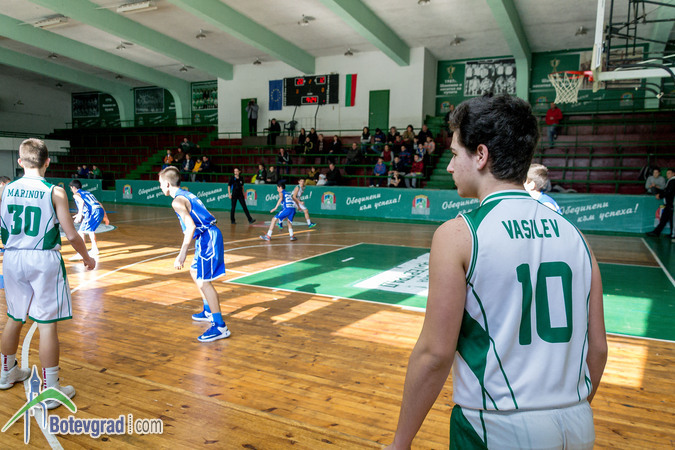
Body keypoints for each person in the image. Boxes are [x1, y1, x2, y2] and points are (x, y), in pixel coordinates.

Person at [386, 95, 607, 450]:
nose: (449, 166)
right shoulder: (577, 237)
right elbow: (597, 349)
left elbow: (435, 354)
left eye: (455, 154)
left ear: (481, 155)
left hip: (495, 426)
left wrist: (401, 443)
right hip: (577, 423)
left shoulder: (458, 235)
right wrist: (567, 411)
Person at [1, 138, 95, 409]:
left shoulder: (6, 189)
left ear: (20, 162)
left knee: (14, 317)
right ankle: (50, 388)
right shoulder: (55, 191)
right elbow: (72, 234)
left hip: (12, 257)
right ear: (47, 162)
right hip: (42, 258)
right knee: (47, 324)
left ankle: (6, 373)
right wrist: (87, 257)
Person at [158, 166, 231, 342]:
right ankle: (208, 310)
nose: (160, 187)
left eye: (160, 184)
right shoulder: (187, 194)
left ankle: (220, 326)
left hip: (208, 238)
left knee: (205, 282)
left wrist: (182, 254)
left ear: (167, 184)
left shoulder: (177, 202)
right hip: (206, 236)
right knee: (194, 270)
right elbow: (207, 215)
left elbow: (190, 227)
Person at [69, 179, 110, 258]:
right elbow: (99, 203)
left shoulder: (76, 194)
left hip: (93, 212)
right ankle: (95, 249)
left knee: (81, 232)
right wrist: (105, 217)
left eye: (71, 188)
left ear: (73, 187)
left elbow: (81, 202)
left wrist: (79, 214)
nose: (71, 190)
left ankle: (82, 253)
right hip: (99, 210)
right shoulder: (88, 193)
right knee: (90, 230)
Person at [646, 168, 674, 239]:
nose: (667, 175)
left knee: (670, 219)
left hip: (671, 204)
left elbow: (669, 191)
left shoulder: (672, 181)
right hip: (669, 204)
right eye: (667, 173)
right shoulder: (670, 181)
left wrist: (661, 195)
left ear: (673, 174)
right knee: (665, 219)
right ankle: (657, 232)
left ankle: (671, 234)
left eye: (669, 173)